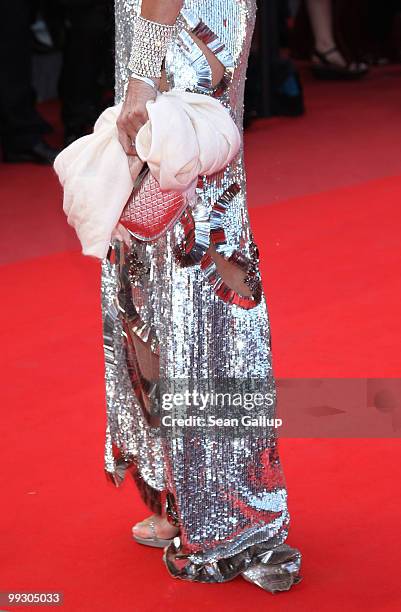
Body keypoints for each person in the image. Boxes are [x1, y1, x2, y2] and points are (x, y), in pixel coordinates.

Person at [101, 0, 302, 591]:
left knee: (188, 276)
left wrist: (141, 73)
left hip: (173, 39)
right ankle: (187, 495)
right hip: (184, 33)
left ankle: (231, 516)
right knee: (159, 266)